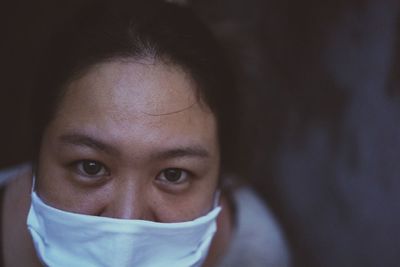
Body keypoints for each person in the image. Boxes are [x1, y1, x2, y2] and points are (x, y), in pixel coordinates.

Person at [0, 0, 290, 266]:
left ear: (219, 177)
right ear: (39, 153)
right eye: (90, 166)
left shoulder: (256, 252)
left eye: (174, 174)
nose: (126, 222)